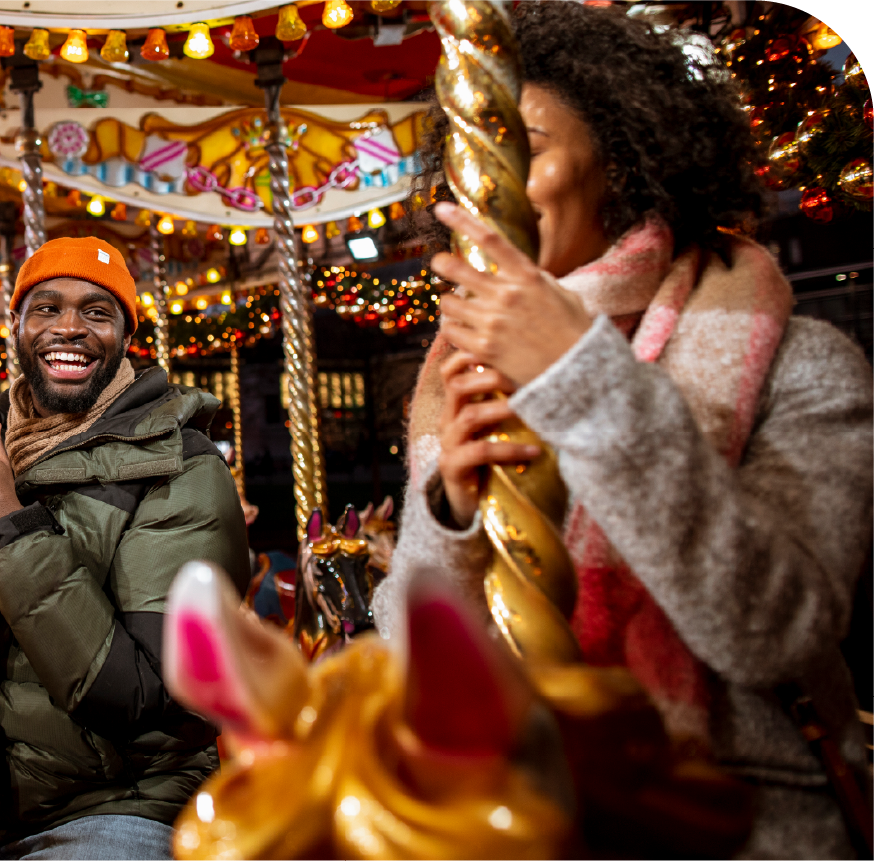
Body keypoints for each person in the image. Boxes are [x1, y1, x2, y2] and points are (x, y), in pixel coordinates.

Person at [371, 3, 874, 859]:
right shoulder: (454, 373)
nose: (486, 182)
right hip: (508, 810)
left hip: (735, 815)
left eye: (522, 145)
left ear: (622, 160)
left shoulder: (801, 364)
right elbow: (413, 653)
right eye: (471, 156)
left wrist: (580, 380)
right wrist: (447, 514)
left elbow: (770, 628)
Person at [0, 236, 250, 859]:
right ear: (18, 329)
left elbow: (144, 698)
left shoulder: (180, 469)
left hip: (112, 806)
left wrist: (9, 527)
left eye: (97, 312)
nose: (70, 328)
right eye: (47, 308)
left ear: (126, 337)